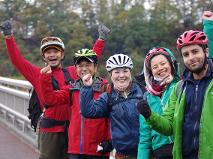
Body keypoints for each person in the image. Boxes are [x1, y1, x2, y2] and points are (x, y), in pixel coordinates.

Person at [0, 20, 110, 159]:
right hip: (50, 130)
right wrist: (8, 36)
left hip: (72, 130)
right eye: (48, 52)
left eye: (55, 51)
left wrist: (101, 39)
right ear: (43, 57)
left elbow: (89, 61)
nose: (52, 55)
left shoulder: (73, 71)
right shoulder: (37, 74)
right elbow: (17, 61)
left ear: (62, 55)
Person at [137, 29, 213, 158]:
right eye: (186, 54)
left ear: (206, 51)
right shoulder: (180, 88)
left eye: (195, 51)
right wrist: (149, 116)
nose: (191, 58)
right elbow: (169, 127)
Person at [40, 49, 111, 159]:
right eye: (80, 65)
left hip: (98, 149)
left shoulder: (105, 88)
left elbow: (112, 118)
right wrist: (45, 78)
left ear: (95, 67)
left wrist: (110, 141)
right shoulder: (72, 88)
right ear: (75, 68)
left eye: (88, 65)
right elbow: (50, 100)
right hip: (75, 149)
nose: (84, 69)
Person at [80, 54, 144, 159]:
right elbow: (88, 111)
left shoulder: (143, 92)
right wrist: (87, 87)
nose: (121, 75)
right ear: (110, 74)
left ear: (130, 72)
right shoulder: (107, 98)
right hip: (123, 155)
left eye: (125, 71)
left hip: (146, 152)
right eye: (117, 72)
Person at [138, 47, 180, 159]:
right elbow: (145, 137)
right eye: (155, 67)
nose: (160, 68)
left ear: (171, 64)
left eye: (163, 63)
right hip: (161, 152)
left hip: (182, 147)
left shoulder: (181, 86)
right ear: (150, 71)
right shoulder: (147, 97)